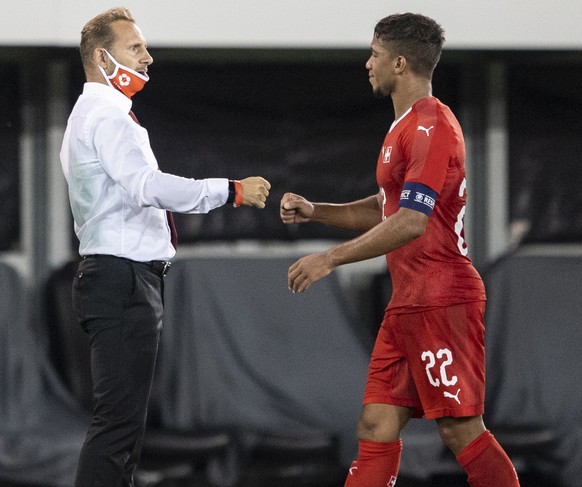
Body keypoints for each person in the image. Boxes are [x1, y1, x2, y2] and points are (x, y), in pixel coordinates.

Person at [280, 12, 520, 487]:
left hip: (442, 298)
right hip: (408, 302)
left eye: (375, 53)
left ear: (400, 63)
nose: (368, 63)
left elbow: (411, 222)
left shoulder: (433, 125)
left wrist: (330, 257)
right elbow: (388, 206)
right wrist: (317, 211)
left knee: (460, 429)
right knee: (376, 425)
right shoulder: (403, 126)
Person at [59, 7, 271, 487]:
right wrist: (230, 190)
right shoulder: (107, 118)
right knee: (118, 427)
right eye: (136, 48)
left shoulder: (90, 115)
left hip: (118, 277)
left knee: (123, 427)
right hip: (122, 279)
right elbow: (147, 186)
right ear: (102, 57)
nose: (148, 57)